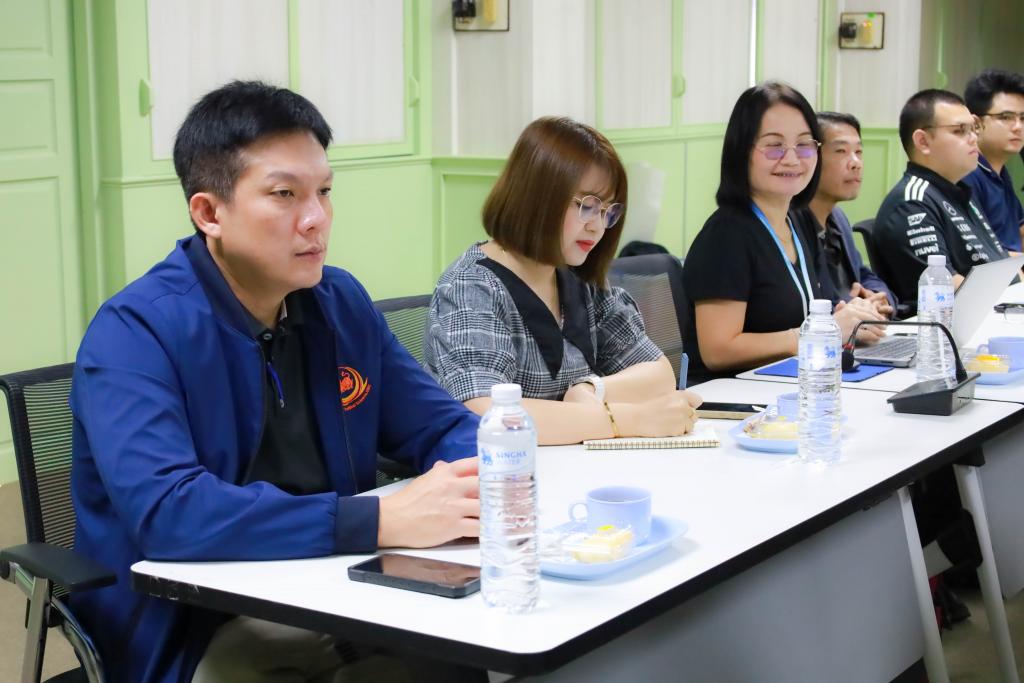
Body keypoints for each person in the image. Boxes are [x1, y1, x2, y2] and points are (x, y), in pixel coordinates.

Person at [68, 81, 481, 683]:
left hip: (336, 589)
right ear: (209, 213)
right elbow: (171, 513)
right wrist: (377, 521)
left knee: (476, 657)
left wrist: (481, 485)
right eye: (285, 194)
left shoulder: (338, 302)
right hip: (193, 622)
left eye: (324, 192)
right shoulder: (135, 332)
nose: (316, 219)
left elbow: (442, 425)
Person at [425, 116, 701, 445]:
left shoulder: (577, 278)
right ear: (537, 197)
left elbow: (659, 374)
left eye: (607, 211)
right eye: (587, 206)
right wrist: (625, 419)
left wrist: (591, 390)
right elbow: (488, 414)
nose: (598, 226)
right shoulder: (472, 287)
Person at [682, 82, 883, 385]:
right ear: (742, 151)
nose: (791, 159)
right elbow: (718, 350)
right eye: (774, 145)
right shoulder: (726, 235)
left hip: (796, 383)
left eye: (804, 145)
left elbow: (822, 311)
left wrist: (852, 316)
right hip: (733, 396)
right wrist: (819, 333)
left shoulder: (799, 221)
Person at [874, 89, 1008, 306]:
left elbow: (997, 260)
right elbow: (944, 284)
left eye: (974, 129)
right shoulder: (912, 202)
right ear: (923, 142)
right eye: (959, 131)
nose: (973, 138)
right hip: (946, 322)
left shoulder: (959, 191)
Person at [790, 111, 897, 317]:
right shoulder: (789, 223)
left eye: (859, 151)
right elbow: (807, 301)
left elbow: (863, 274)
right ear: (809, 157)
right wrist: (854, 307)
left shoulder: (838, 217)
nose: (856, 163)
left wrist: (878, 298)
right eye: (841, 151)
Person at [962, 69, 1024, 252]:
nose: (1018, 127)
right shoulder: (966, 174)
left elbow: (1018, 230)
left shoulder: (999, 170)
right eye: (1006, 117)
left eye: (1023, 118)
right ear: (976, 124)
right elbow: (982, 255)